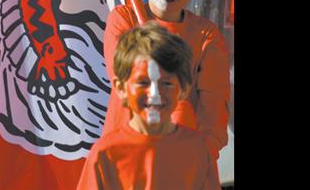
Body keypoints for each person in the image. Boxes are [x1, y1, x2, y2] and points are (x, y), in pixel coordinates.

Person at [102, 0, 230, 160]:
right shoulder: (124, 20)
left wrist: (201, 153)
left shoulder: (206, 35)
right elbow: (123, 73)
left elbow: (214, 108)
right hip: (127, 157)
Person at [77, 22, 220, 190]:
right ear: (121, 88)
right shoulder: (105, 154)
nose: (155, 94)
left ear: (183, 88)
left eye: (166, 83)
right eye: (143, 82)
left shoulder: (198, 150)